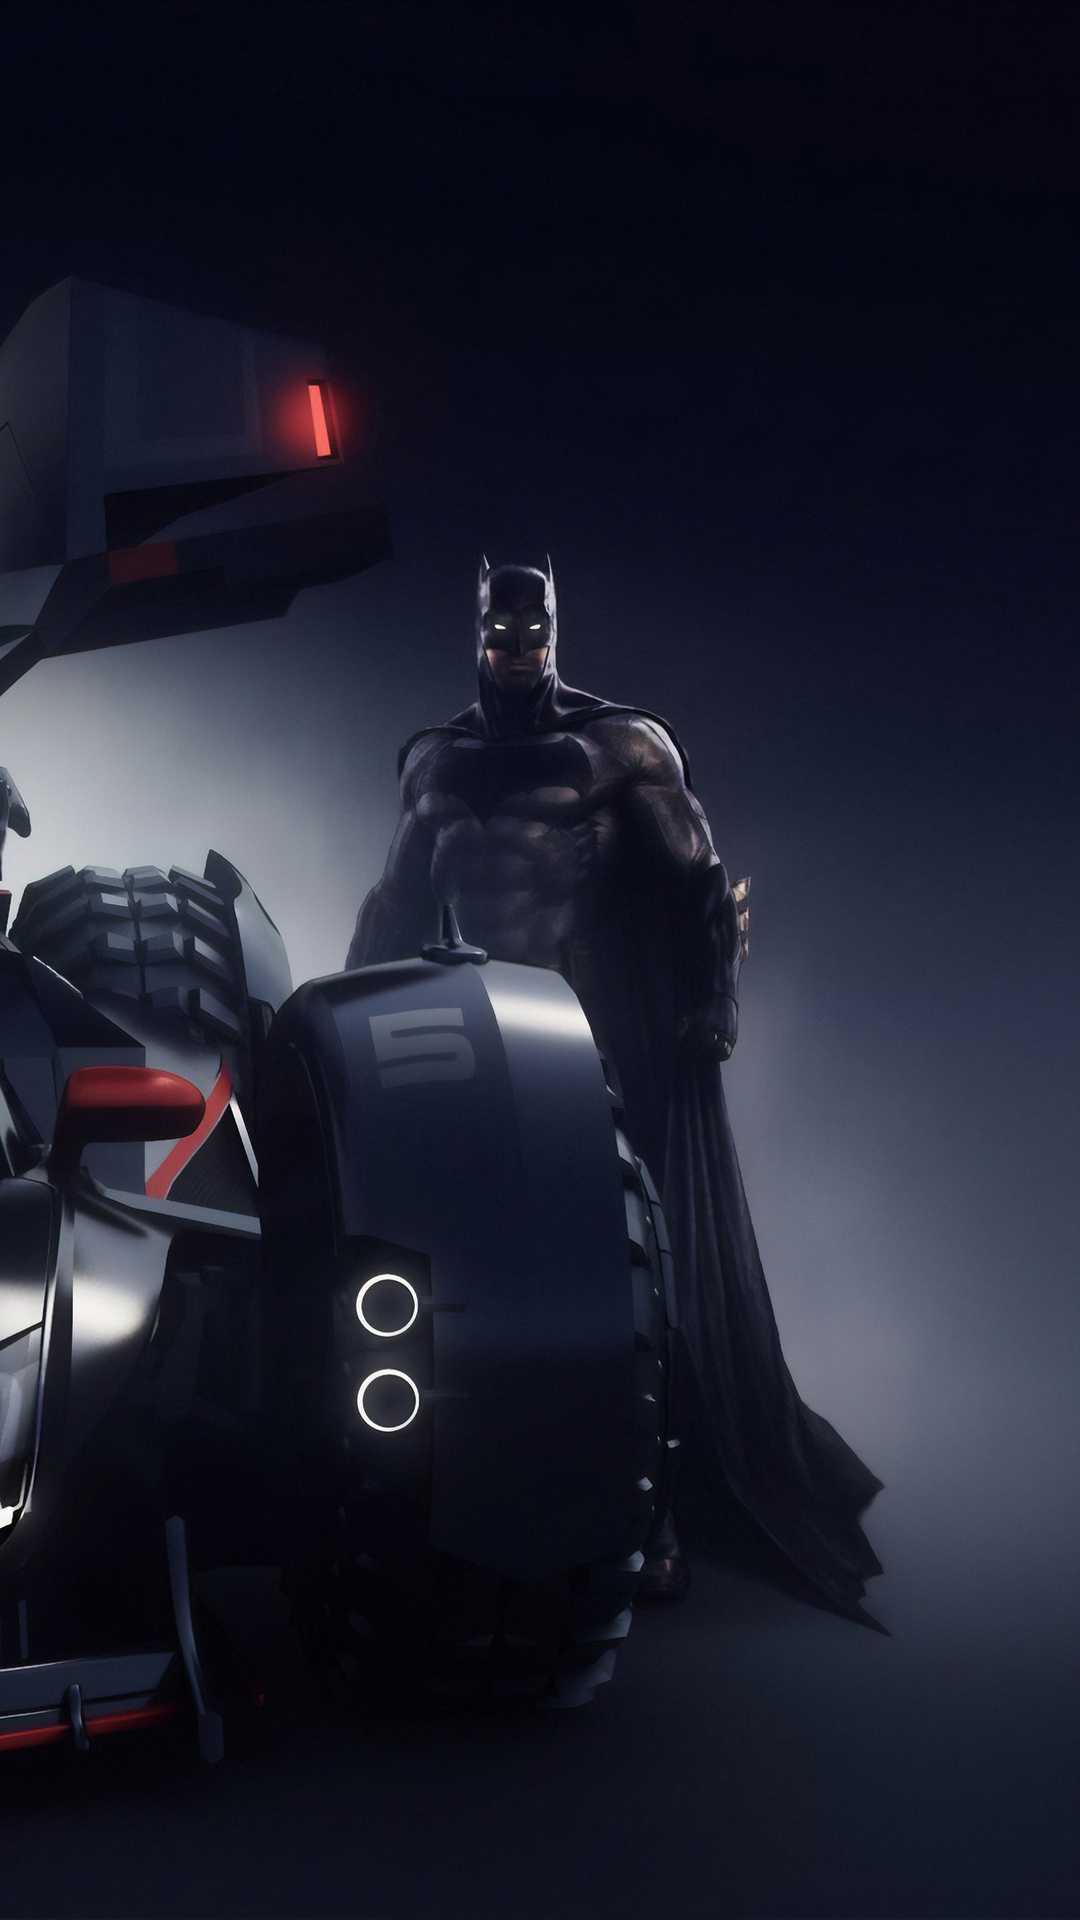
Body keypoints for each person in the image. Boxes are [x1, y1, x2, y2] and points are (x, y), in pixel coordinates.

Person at [348, 557, 882, 1620]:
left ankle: (657, 1514)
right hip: (475, 1040)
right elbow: (394, 903)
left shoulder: (620, 748)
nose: (518, 653)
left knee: (630, 1278)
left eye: (533, 635)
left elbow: (696, 881)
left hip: (592, 1041)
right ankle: (475, 1491)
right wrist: (342, 1015)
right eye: (501, 636)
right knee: (467, 1272)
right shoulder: (435, 764)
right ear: (477, 636)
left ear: (555, 633)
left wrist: (713, 1001)